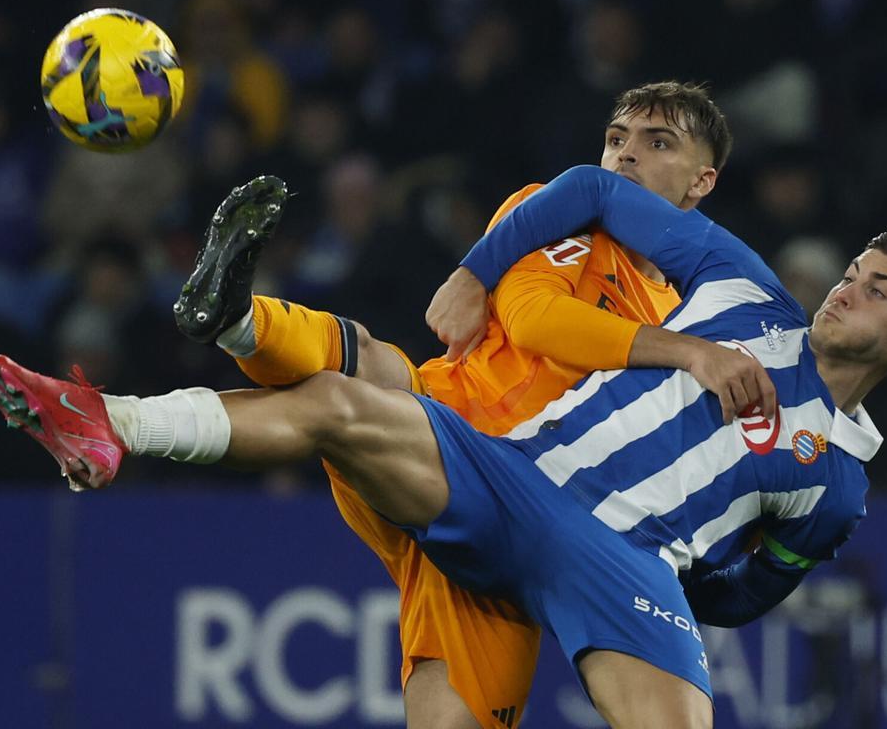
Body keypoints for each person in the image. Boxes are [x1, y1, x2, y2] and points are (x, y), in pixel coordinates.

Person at [0, 165, 887, 727]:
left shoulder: (835, 485)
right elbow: (590, 188)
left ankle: (239, 325)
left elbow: (749, 594)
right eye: (856, 271)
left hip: (630, 566)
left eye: (881, 290)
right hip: (518, 476)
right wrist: (477, 267)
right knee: (341, 399)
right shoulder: (743, 291)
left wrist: (684, 580)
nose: (847, 287)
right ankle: (106, 416)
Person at [178, 81, 770, 729]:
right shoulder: (556, 216)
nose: (626, 155)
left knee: (359, 374)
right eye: (616, 138)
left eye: (658, 143)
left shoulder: (702, 327)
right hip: (445, 436)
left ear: (701, 182)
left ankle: (232, 334)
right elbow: (536, 319)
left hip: (507, 529)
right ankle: (238, 322)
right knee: (368, 373)